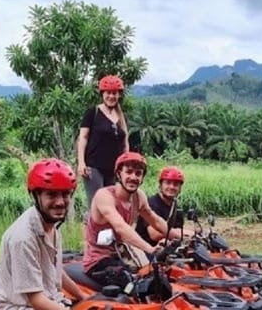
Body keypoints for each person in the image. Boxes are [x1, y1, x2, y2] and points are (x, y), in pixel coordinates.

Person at [0, 159, 90, 310]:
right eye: (51, 194)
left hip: (52, 300)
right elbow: (36, 300)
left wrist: (83, 297)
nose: (60, 202)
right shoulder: (23, 238)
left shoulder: (51, 227)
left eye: (66, 194)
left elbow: (55, 271)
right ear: (36, 195)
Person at [81, 152, 183, 289]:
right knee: (135, 286)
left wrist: (181, 237)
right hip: (97, 261)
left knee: (158, 275)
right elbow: (121, 228)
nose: (133, 177)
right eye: (128, 172)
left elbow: (155, 220)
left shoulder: (138, 197)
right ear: (118, 174)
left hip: (121, 256)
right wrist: (150, 249)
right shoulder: (104, 195)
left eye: (138, 173)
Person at [76, 75, 130, 220]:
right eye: (108, 93)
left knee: (112, 205)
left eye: (115, 93)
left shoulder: (120, 115)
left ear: (119, 94)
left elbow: (125, 141)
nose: (111, 96)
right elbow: (83, 138)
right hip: (94, 167)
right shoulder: (92, 112)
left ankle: (107, 240)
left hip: (113, 170)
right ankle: (92, 240)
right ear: (102, 94)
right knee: (97, 205)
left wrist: (127, 163)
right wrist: (81, 162)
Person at [135, 166, 186, 246]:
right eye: (168, 183)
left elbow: (178, 231)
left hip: (166, 249)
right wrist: (182, 233)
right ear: (160, 185)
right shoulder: (151, 203)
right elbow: (154, 235)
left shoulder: (176, 207)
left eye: (176, 184)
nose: (171, 187)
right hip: (146, 249)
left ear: (180, 188)